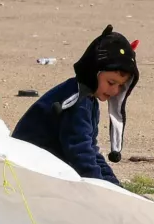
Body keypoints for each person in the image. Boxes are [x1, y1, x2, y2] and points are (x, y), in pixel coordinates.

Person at [12, 25, 139, 186]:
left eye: (120, 86)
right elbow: (80, 153)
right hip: (26, 169)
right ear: (93, 72)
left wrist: (114, 185)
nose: (115, 91)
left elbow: (91, 151)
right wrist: (100, 189)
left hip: (42, 166)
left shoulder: (88, 99)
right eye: (111, 82)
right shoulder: (76, 102)